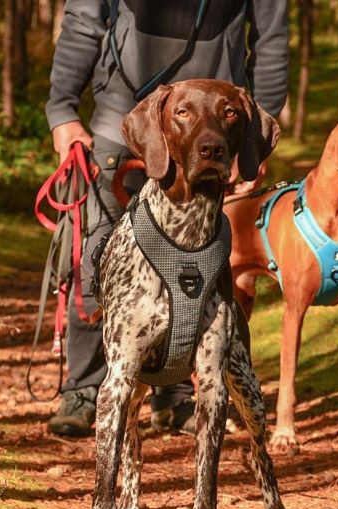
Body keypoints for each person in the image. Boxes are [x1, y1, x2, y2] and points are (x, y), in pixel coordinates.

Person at [45, 0, 289, 437]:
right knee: (97, 252)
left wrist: (248, 143)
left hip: (212, 131)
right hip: (119, 121)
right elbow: (83, 17)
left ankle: (173, 396)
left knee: (194, 264)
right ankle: (84, 388)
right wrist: (62, 110)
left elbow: (271, 36)